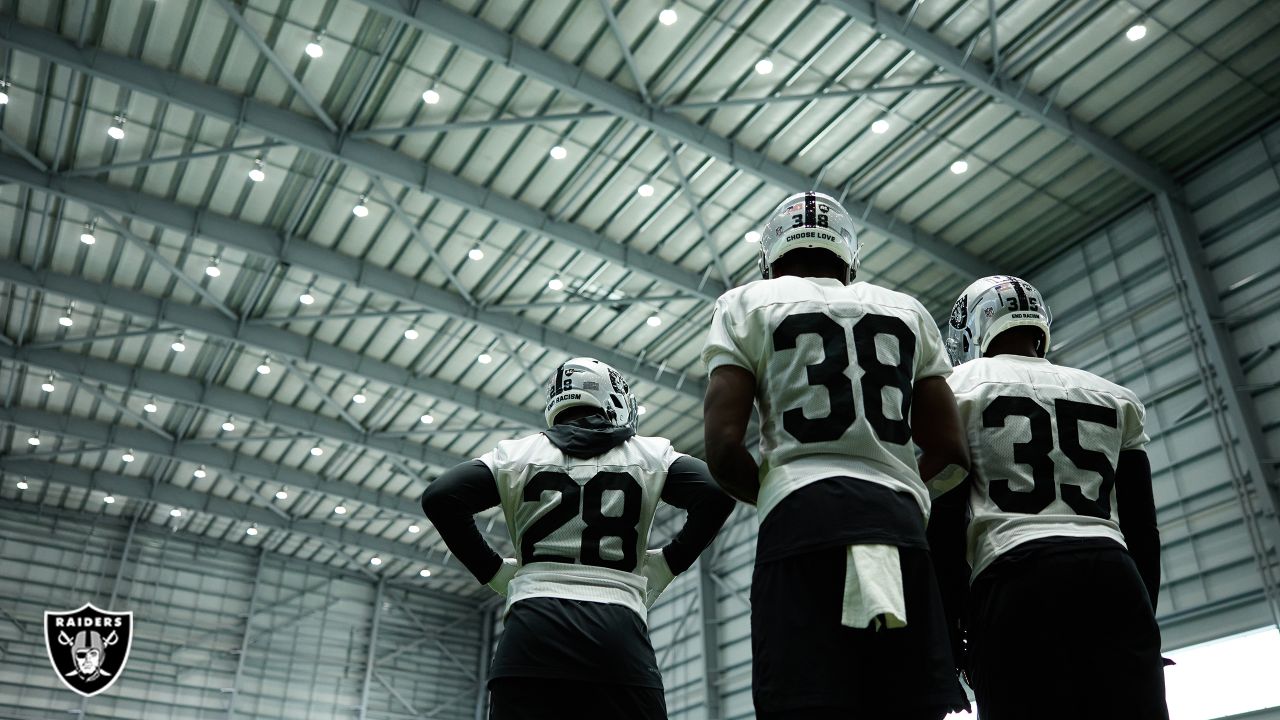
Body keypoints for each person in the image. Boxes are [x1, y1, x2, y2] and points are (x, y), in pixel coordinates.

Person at [701, 191, 971, 720]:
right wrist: (894, 491)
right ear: (849, 253)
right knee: (906, 704)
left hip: (801, 519)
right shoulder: (907, 311)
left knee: (804, 704)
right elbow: (950, 450)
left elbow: (722, 446)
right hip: (897, 523)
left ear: (772, 256)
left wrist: (782, 493)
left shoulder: (744, 304)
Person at [421, 357, 734, 720]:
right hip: (617, 628)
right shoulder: (651, 456)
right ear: (613, 399)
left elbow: (441, 497)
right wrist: (669, 563)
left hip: (531, 628)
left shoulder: (515, 455)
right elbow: (716, 493)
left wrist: (492, 571)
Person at [934, 275, 1168, 719]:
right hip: (1114, 576)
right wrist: (1143, 623)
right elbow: (1142, 528)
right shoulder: (1115, 397)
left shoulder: (955, 388)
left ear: (970, 331)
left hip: (1016, 575)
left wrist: (946, 643)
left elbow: (944, 529)